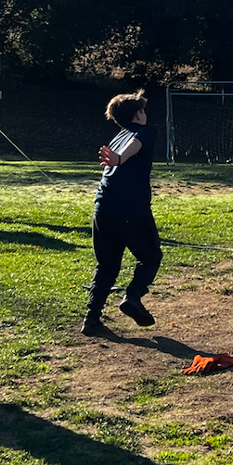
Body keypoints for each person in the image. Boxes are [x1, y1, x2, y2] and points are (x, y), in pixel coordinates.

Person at [83, 90, 163, 335]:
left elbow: (127, 148)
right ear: (138, 114)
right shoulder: (143, 132)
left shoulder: (119, 135)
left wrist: (118, 157)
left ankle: (91, 319)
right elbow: (135, 146)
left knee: (106, 265)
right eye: (143, 110)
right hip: (131, 209)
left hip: (102, 208)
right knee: (150, 257)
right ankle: (133, 296)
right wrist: (119, 159)